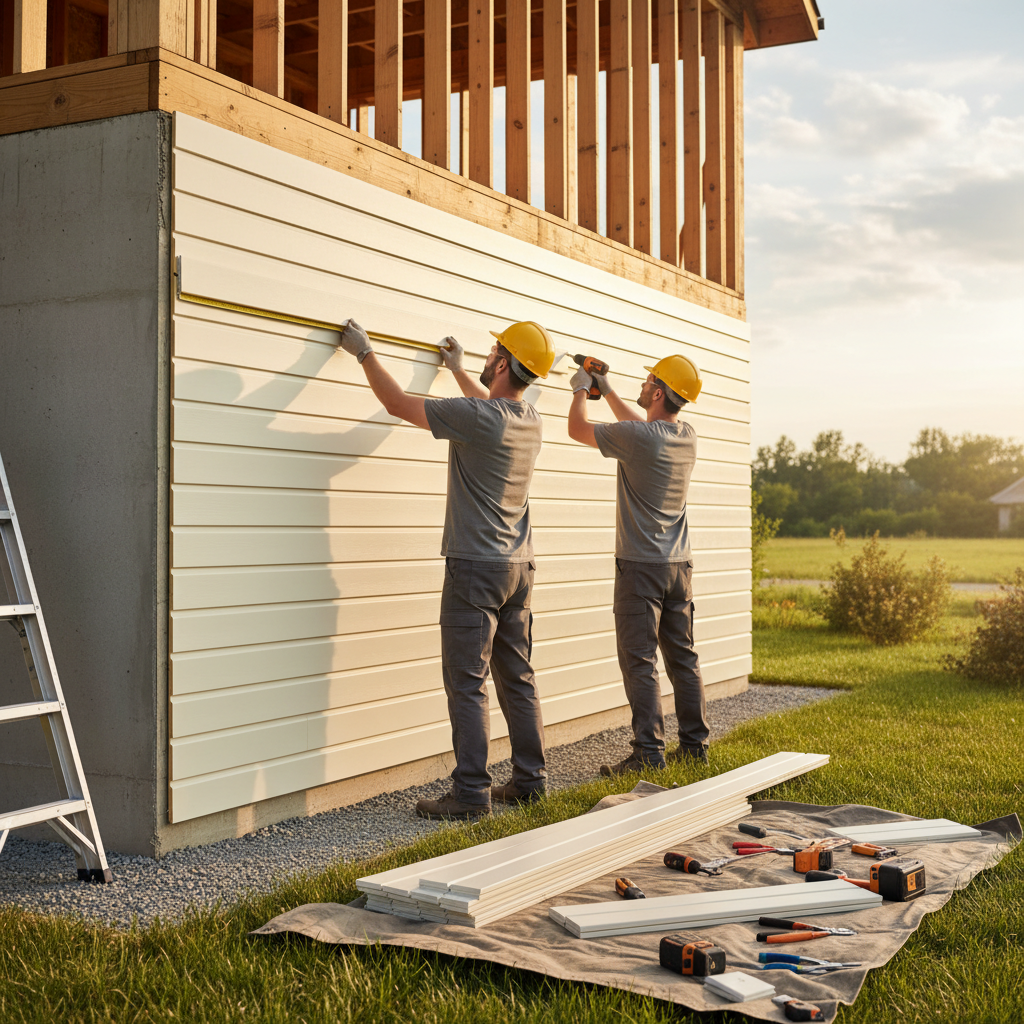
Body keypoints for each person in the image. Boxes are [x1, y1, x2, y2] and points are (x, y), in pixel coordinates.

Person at [337, 318, 555, 819]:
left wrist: (365, 352)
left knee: (467, 681)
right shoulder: (530, 418)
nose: (487, 355)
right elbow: (484, 404)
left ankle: (472, 796)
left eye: (493, 351)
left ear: (501, 362)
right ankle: (530, 782)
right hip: (518, 569)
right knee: (517, 677)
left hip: (476, 570)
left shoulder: (479, 418)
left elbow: (398, 405)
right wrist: (457, 369)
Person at [566, 354, 710, 773]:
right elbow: (642, 428)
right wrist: (606, 389)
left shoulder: (639, 438)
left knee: (640, 660)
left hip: (640, 568)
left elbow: (577, 429)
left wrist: (581, 388)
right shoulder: (686, 434)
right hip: (678, 566)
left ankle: (648, 754)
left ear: (660, 391)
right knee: (682, 657)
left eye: (649, 381)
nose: (643, 385)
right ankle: (695, 746)